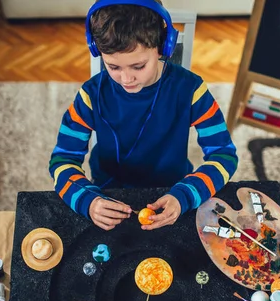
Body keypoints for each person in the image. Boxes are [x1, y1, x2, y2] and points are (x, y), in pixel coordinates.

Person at [49, 0, 238, 231]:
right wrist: (88, 201)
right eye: (113, 67)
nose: (126, 79)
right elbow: (62, 160)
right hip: (107, 194)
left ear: (163, 46)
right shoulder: (89, 95)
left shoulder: (191, 91)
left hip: (173, 192)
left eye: (138, 66)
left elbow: (224, 156)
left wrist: (185, 196)